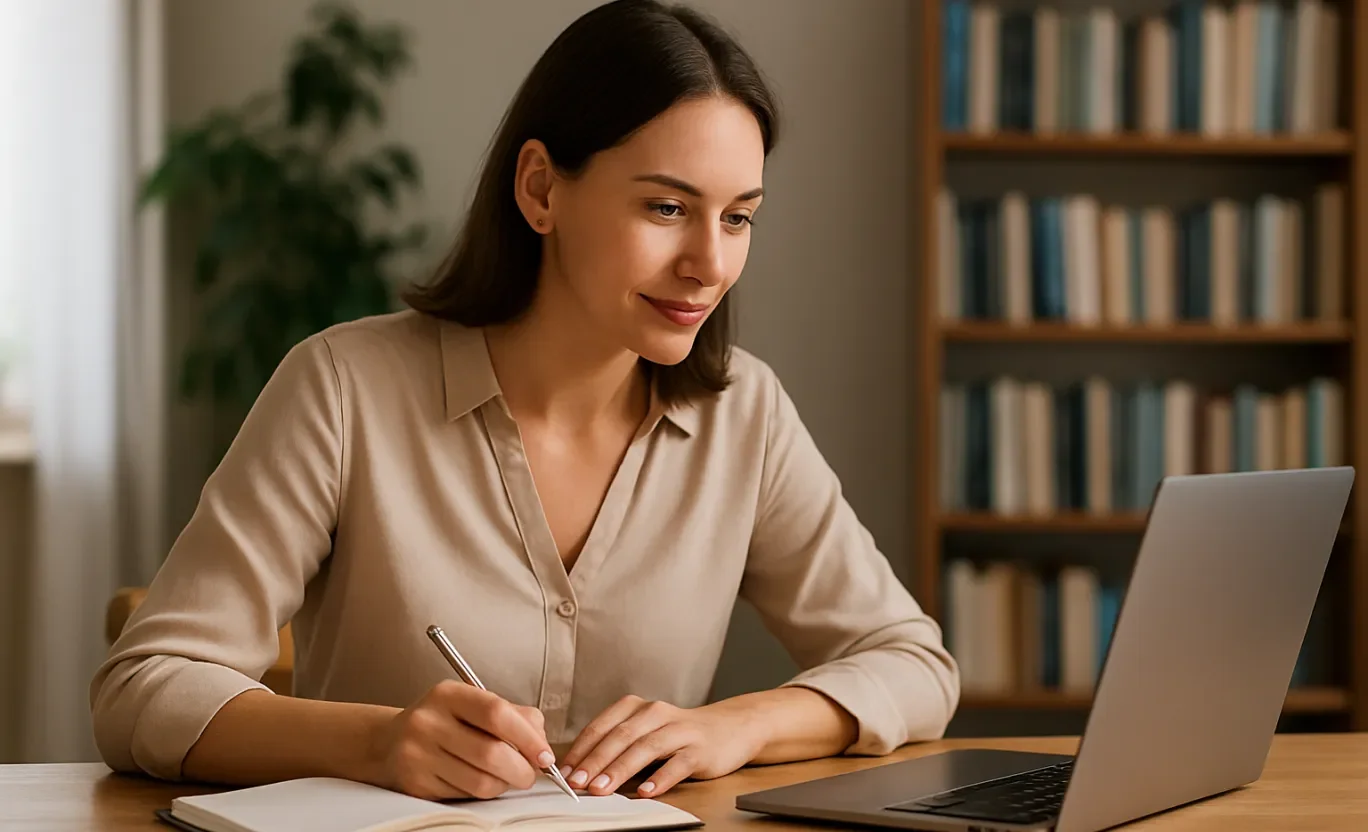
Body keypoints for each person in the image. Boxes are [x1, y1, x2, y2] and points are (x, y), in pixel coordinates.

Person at [90, 0, 959, 802]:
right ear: (541, 188)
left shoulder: (746, 415)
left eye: (738, 218)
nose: (710, 265)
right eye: (667, 207)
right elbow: (144, 685)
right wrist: (378, 742)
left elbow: (914, 664)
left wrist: (737, 725)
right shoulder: (344, 389)